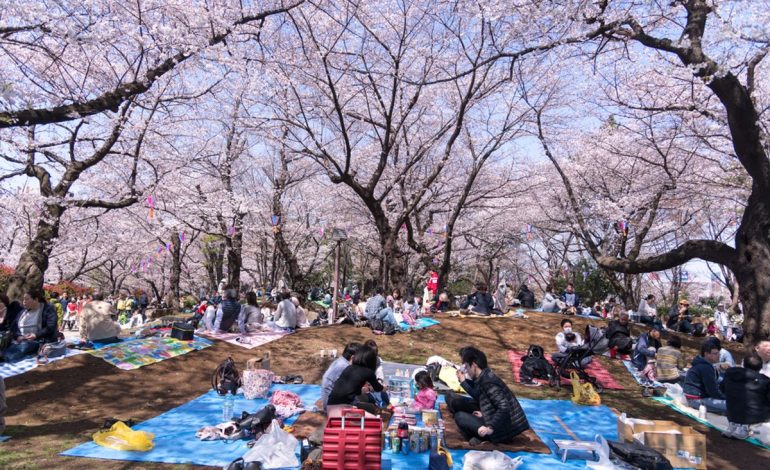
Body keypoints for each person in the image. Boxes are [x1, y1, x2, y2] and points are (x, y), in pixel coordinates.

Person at [447, 346, 529, 444]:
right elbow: (480, 396)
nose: (466, 370)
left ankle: (481, 437)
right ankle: (476, 434)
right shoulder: (483, 376)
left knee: (459, 416)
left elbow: (504, 408)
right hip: (493, 416)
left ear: (474, 365)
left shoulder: (489, 383)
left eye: (467, 367)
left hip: (503, 429)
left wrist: (490, 427)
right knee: (451, 397)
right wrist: (463, 382)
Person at [1, 290, 59, 363]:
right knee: (5, 343)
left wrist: (36, 335)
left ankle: (4, 357)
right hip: (20, 339)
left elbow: (51, 326)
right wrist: (18, 336)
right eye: (23, 299)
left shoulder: (47, 309)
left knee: (22, 347)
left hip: (39, 340)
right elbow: (14, 326)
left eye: (27, 299)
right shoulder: (23, 312)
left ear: (36, 299)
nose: (24, 301)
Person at [720, 355, 770, 439]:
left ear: (744, 364)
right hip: (754, 415)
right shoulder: (764, 381)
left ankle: (735, 425)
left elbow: (722, 389)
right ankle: (744, 427)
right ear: (761, 367)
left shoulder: (730, 373)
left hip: (731, 413)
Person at [327, 345, 385, 414]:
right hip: (344, 410)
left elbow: (354, 391)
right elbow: (378, 388)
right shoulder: (368, 372)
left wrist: (368, 389)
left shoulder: (349, 368)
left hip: (330, 408)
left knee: (370, 408)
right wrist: (384, 388)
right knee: (377, 420)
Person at [683, 341, 727, 414]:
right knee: (732, 406)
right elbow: (712, 391)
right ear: (706, 354)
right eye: (715, 353)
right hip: (696, 400)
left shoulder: (702, 364)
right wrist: (725, 398)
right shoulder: (706, 367)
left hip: (693, 397)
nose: (718, 355)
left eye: (719, 353)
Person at [319, 342, 362, 411]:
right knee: (369, 408)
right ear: (353, 357)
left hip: (331, 400)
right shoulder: (344, 367)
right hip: (334, 406)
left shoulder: (341, 360)